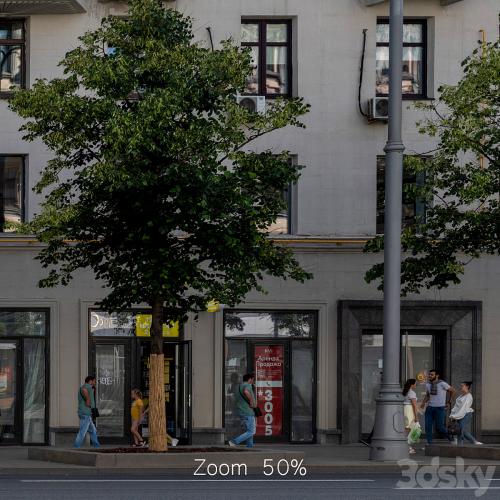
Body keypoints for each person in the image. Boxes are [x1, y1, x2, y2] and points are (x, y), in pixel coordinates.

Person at [420, 369, 456, 444]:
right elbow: (428, 394)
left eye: (432, 374)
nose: (430, 376)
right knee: (428, 426)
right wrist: (423, 403)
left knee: (440, 427)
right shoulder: (428, 384)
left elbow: (453, 391)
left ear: (437, 376)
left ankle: (451, 438)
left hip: (440, 408)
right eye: (429, 374)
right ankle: (429, 443)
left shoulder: (442, 383)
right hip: (429, 408)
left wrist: (449, 402)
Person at [228, 373, 256, 448]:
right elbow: (246, 392)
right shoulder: (247, 385)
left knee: (249, 430)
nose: (253, 381)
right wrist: (251, 401)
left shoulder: (239, 386)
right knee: (251, 431)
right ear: (250, 379)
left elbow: (234, 398)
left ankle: (249, 446)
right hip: (247, 411)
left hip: (242, 411)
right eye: (253, 379)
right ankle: (234, 442)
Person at [450, 381, 483, 446]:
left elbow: (464, 407)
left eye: (462, 386)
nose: (461, 387)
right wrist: (452, 415)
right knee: (462, 430)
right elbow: (456, 406)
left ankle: (460, 445)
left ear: (467, 386)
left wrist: (455, 416)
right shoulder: (460, 396)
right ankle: (474, 441)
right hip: (459, 414)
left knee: (460, 430)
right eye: (461, 385)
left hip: (466, 414)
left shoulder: (469, 396)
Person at [74, 375, 100, 448]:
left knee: (93, 430)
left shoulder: (82, 387)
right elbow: (88, 402)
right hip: (86, 412)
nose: (95, 383)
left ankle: (96, 446)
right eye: (94, 381)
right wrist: (89, 404)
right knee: (83, 431)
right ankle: (76, 446)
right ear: (90, 381)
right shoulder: (88, 387)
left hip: (83, 412)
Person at [403, 378, 418, 454]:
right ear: (412, 384)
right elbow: (414, 405)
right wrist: (416, 417)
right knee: (408, 429)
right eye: (415, 383)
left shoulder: (404, 392)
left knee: (405, 428)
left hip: (404, 409)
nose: (416, 385)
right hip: (409, 410)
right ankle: (407, 446)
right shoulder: (412, 393)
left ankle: (406, 446)